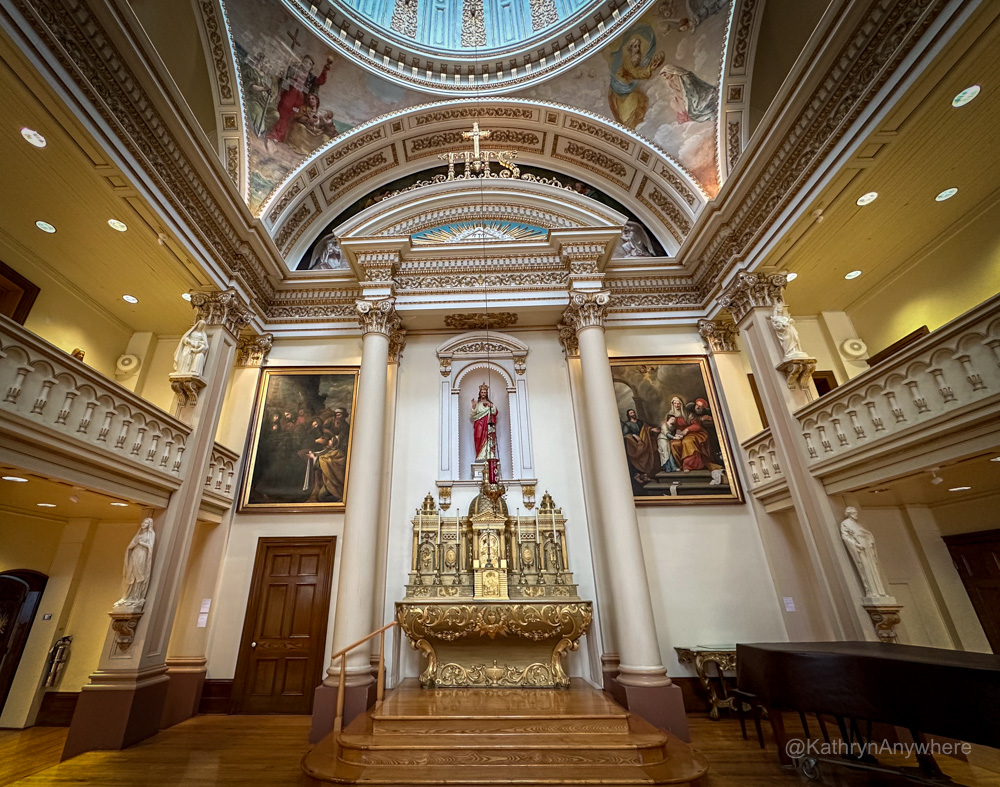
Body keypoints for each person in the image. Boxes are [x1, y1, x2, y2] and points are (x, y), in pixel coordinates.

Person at [266, 53, 333, 144]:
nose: (306, 64)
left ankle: (281, 136)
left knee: (290, 117)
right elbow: (284, 78)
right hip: (288, 94)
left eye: (309, 64)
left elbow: (320, 81)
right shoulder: (293, 70)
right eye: (305, 62)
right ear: (301, 62)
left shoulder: (310, 77)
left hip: (299, 98)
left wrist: (325, 69)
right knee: (282, 113)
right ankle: (274, 134)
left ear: (311, 67)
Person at [608, 28, 665, 129]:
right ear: (630, 48)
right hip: (621, 89)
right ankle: (629, 125)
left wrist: (651, 67)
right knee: (634, 100)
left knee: (640, 99)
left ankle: (633, 125)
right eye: (635, 46)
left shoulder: (636, 60)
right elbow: (635, 73)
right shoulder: (627, 60)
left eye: (638, 46)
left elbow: (637, 71)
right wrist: (649, 69)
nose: (638, 49)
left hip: (626, 87)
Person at [840, 507, 890, 598]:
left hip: (867, 547)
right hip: (860, 548)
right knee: (866, 569)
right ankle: (872, 592)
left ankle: (880, 591)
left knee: (874, 569)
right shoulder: (845, 524)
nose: (856, 515)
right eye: (854, 513)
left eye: (856, 513)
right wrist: (856, 544)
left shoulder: (859, 524)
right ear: (849, 514)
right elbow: (845, 538)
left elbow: (865, 534)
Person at [664, 395, 721, 472]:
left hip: (694, 433)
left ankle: (689, 465)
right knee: (674, 444)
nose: (677, 405)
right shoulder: (670, 414)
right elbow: (668, 426)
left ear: (681, 404)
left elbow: (697, 425)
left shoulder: (687, 414)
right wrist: (676, 432)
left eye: (679, 403)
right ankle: (679, 465)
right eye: (675, 403)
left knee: (687, 442)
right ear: (672, 404)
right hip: (679, 435)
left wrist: (686, 430)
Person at [114, 517, 155, 610]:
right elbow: (131, 545)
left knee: (139, 574)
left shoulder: (150, 534)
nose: (143, 524)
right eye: (143, 523)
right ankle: (128, 596)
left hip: (142, 555)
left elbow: (150, 547)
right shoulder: (138, 534)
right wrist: (133, 545)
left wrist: (141, 543)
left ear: (149, 525)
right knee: (131, 573)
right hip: (135, 554)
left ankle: (136, 596)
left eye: (145, 523)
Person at [621, 408, 660, 484]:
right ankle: (638, 475)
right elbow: (625, 434)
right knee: (637, 458)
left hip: (644, 441)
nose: (633, 414)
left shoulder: (640, 422)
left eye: (633, 412)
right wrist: (634, 435)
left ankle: (645, 475)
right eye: (631, 413)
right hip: (634, 444)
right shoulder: (628, 424)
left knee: (646, 456)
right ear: (628, 415)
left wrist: (652, 430)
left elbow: (646, 429)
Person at [471, 384, 500, 483]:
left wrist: (491, 406)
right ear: (480, 393)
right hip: (479, 424)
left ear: (486, 393)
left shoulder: (489, 403)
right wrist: (474, 407)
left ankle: (489, 456)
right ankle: (480, 455)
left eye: (485, 392)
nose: (483, 394)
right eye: (482, 392)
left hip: (487, 425)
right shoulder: (478, 404)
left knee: (488, 439)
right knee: (478, 437)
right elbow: (473, 414)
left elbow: (495, 412)